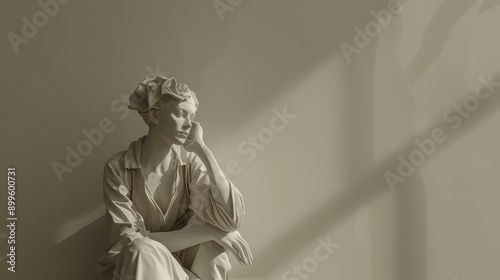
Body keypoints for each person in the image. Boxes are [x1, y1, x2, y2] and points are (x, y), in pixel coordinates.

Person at [97, 75, 253, 280]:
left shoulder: (190, 163)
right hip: (137, 268)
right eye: (181, 114)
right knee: (141, 249)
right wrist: (209, 232)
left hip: (181, 270)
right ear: (154, 116)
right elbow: (129, 242)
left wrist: (203, 151)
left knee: (217, 239)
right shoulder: (118, 167)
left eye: (192, 116)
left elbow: (231, 220)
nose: (190, 124)